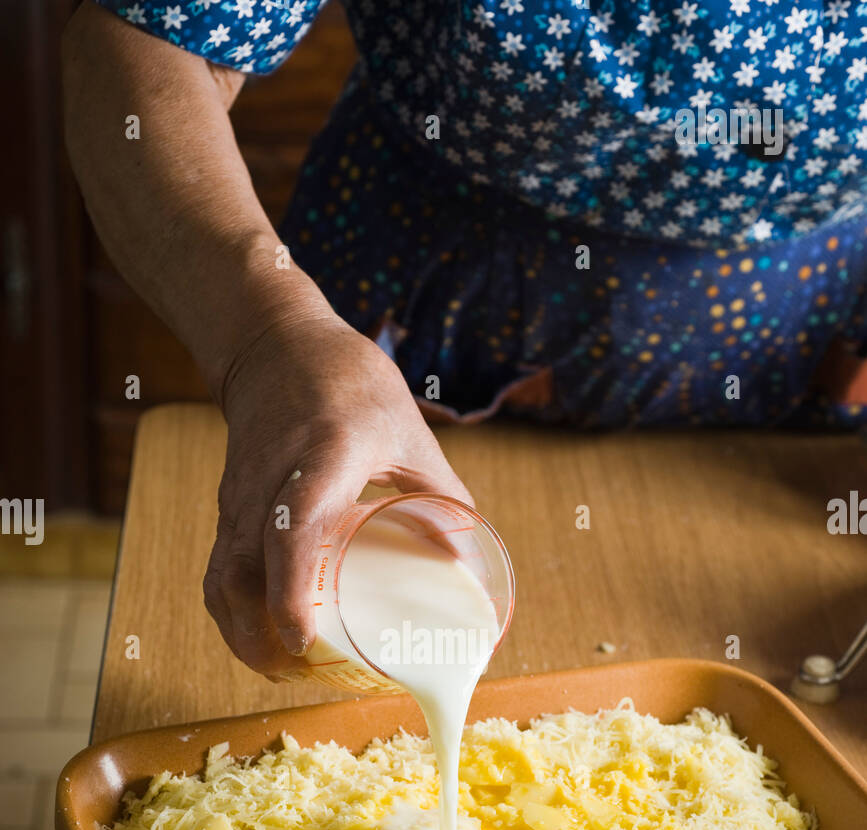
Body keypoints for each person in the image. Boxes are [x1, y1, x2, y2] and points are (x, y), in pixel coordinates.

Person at [63, 1, 867, 680]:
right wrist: (266, 336)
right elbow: (150, 32)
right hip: (411, 327)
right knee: (324, 634)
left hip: (809, 359)